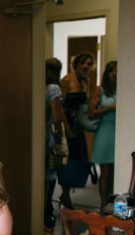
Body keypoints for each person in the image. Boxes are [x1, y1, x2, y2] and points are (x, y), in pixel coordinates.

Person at [59, 51, 96, 209]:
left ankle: (66, 192)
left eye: (89, 63)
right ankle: (64, 193)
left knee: (78, 158)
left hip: (79, 125)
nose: (86, 66)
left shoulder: (86, 80)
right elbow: (59, 105)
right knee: (67, 160)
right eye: (83, 63)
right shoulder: (67, 80)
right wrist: (66, 128)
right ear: (76, 64)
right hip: (67, 124)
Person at [44, 58, 68, 235]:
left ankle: (42, 214)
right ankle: (47, 214)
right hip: (47, 137)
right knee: (50, 175)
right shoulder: (53, 89)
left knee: (41, 176)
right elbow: (56, 117)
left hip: (37, 135)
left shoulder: (38, 86)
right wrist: (60, 137)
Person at [90, 60, 118, 208]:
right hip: (105, 134)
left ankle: (113, 203)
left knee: (116, 171)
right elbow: (92, 112)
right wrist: (111, 108)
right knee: (105, 172)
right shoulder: (99, 90)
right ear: (107, 74)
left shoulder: (123, 89)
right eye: (112, 70)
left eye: (118, 70)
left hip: (119, 134)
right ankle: (103, 205)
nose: (115, 73)